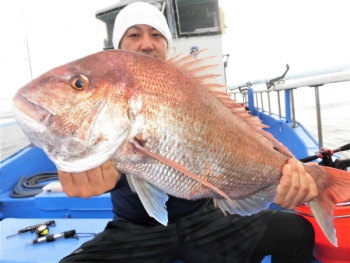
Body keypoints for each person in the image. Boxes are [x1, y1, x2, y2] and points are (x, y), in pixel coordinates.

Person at [59, 2, 318, 262]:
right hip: (136, 228)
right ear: (119, 46)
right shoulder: (101, 108)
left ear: (166, 44)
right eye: (134, 34)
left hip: (204, 217)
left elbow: (232, 136)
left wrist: (283, 181)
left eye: (156, 34)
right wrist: (88, 172)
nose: (147, 44)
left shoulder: (193, 89)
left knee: (297, 232)